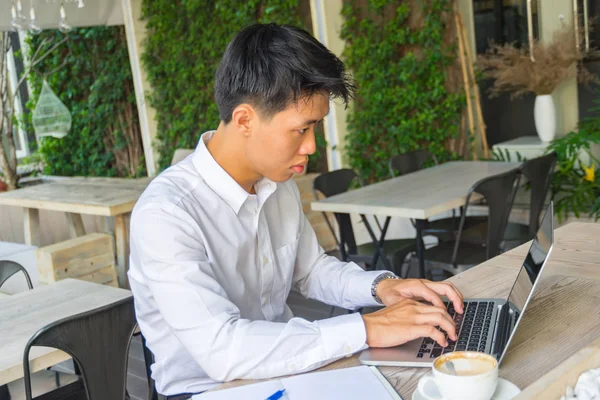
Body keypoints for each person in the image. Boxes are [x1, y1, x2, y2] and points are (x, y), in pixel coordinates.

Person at [128, 23, 464, 400]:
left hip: (291, 374)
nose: (311, 147)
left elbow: (312, 270)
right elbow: (223, 349)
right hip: (209, 391)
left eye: (316, 128)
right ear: (244, 120)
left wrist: (382, 287)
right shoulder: (167, 215)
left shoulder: (278, 183)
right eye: (302, 129)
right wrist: (367, 329)